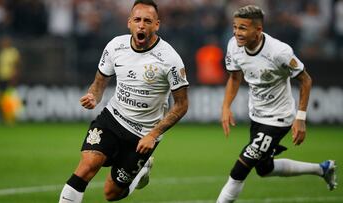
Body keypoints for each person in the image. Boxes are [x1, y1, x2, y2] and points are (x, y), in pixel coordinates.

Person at [58, 0, 189, 202]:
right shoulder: (115, 46)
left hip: (143, 134)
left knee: (111, 194)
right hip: (112, 119)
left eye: (147, 21)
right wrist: (93, 96)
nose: (141, 25)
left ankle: (141, 171)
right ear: (129, 22)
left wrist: (153, 135)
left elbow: (182, 105)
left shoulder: (170, 59)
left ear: (157, 25)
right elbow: (99, 83)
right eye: (137, 19)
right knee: (86, 167)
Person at [217, 5, 337, 203]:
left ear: (258, 30)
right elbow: (235, 78)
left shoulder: (279, 52)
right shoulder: (233, 45)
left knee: (241, 167)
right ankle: (323, 169)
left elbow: (305, 80)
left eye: (243, 28)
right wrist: (225, 107)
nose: (237, 33)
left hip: (279, 118)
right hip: (256, 115)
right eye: (235, 27)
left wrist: (300, 119)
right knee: (265, 169)